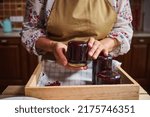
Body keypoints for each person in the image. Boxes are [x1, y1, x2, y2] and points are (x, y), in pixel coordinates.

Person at [21, 0, 133, 72]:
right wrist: (52, 46)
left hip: (101, 69)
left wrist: (107, 43)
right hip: (55, 67)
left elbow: (125, 29)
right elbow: (29, 31)